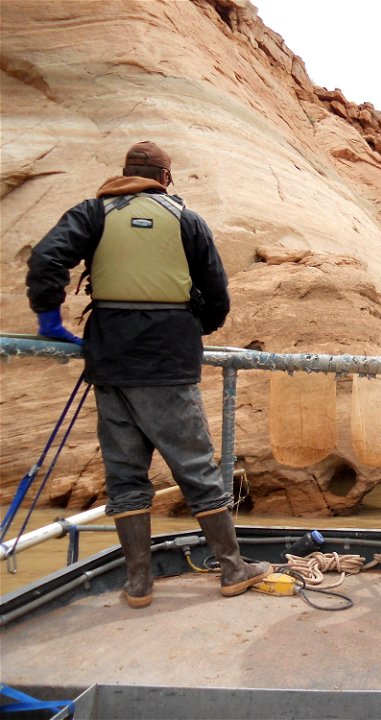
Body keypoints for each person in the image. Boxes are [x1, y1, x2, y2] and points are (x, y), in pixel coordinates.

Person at [25, 141, 271, 608]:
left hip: (110, 358)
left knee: (124, 473)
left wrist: (48, 319)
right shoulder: (186, 220)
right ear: (165, 178)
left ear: (124, 173)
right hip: (167, 361)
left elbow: (46, 259)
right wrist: (188, 328)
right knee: (197, 467)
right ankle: (233, 568)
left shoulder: (93, 212)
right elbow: (217, 294)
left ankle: (138, 582)